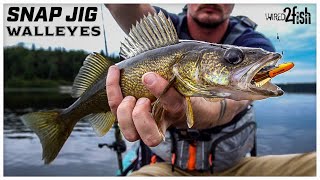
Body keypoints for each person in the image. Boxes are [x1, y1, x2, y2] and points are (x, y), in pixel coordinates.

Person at [105, 4, 316, 176]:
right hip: (164, 167)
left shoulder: (252, 42)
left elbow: (236, 100)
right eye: (233, 59)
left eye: (233, 59)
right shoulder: (163, 28)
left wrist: (190, 109)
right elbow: (124, 7)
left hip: (235, 168)